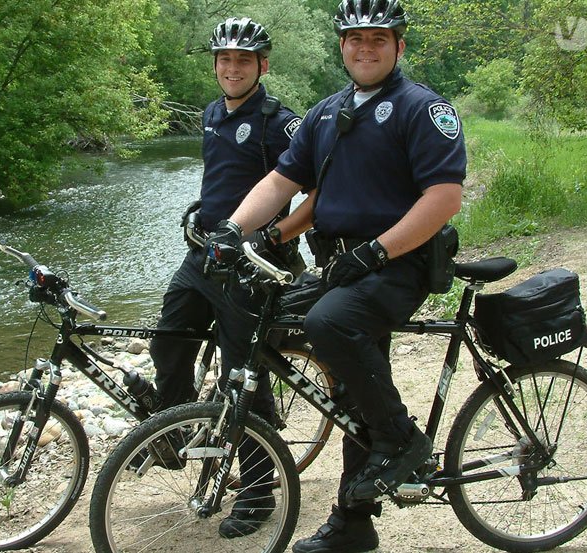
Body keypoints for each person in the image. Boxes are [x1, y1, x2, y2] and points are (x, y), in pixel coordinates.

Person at [206, 1, 466, 551]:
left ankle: (401, 441)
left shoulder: (423, 108)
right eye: (354, 39)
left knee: (330, 324)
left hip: (400, 262)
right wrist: (234, 230)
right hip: (341, 263)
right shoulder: (327, 112)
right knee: (312, 351)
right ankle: (353, 523)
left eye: (378, 38)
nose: (365, 48)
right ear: (342, 46)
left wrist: (375, 253)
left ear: (398, 44)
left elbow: (443, 198)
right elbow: (281, 182)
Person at [148, 17, 303, 539]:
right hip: (206, 254)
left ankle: (258, 491)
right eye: (225, 60)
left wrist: (273, 237)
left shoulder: (280, 121)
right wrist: (202, 211)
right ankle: (174, 430)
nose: (232, 68)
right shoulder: (213, 113)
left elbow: (317, 190)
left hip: (253, 263)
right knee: (169, 340)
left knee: (243, 376)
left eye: (244, 60)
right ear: (215, 65)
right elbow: (225, 180)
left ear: (263, 66)